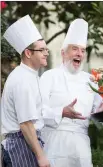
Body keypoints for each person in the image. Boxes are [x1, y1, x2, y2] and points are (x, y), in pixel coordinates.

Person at [39, 18, 102, 167]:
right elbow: (37, 111)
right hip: (54, 143)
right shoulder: (49, 76)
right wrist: (61, 112)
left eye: (82, 50)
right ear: (63, 52)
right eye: (75, 49)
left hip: (81, 146)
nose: (79, 54)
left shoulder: (91, 80)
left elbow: (99, 112)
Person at [1, 15, 50, 167]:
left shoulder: (28, 75)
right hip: (21, 146)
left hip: (24, 144)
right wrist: (41, 156)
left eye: (46, 49)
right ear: (28, 53)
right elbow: (26, 123)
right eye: (41, 50)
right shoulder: (22, 79)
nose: (46, 53)